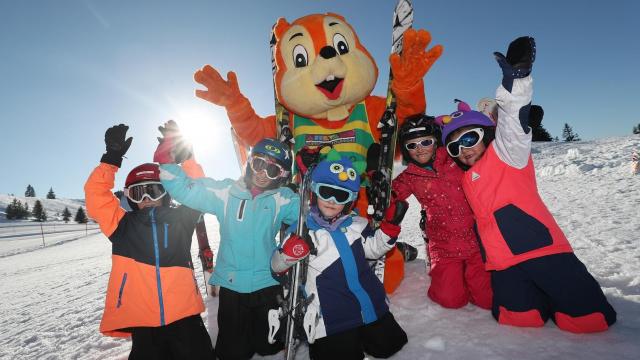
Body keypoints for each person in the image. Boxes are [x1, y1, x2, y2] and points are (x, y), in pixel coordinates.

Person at [440, 36, 616, 333]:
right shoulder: (467, 176)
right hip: (502, 263)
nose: (464, 149)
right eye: (454, 147)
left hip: (543, 251)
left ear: (486, 134)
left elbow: (512, 121)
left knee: (588, 320)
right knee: (519, 319)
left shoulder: (507, 153)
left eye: (469, 138)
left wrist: (516, 81)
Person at [156, 136, 300, 360]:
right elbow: (185, 190)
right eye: (260, 164)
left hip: (267, 283)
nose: (263, 173)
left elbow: (311, 214)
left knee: (269, 346)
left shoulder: (282, 198)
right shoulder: (226, 192)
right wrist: (167, 160)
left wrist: (306, 178)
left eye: (273, 170)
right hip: (233, 287)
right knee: (233, 352)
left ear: (281, 175)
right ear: (250, 162)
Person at [84, 124, 214, 359]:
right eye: (138, 193)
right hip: (143, 324)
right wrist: (111, 159)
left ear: (166, 192)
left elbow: (199, 191)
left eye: (153, 191)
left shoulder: (180, 219)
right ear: (129, 197)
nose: (146, 199)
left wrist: (185, 157)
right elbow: (96, 197)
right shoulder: (121, 225)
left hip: (185, 318)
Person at [271, 149, 408, 360]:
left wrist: (389, 228)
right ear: (315, 192)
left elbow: (373, 249)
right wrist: (288, 255)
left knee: (390, 345)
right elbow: (277, 267)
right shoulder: (302, 229)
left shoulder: (358, 224)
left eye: (341, 195)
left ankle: (365, 336)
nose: (333, 200)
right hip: (331, 315)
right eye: (326, 191)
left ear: (350, 200)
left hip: (367, 304)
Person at [392, 113, 492, 310]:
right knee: (450, 300)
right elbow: (391, 195)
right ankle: (451, 276)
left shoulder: (454, 157)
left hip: (475, 242)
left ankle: (469, 277)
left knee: (487, 300)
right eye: (412, 145)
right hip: (443, 244)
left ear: (436, 141)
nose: (419, 149)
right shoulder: (409, 176)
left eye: (426, 141)